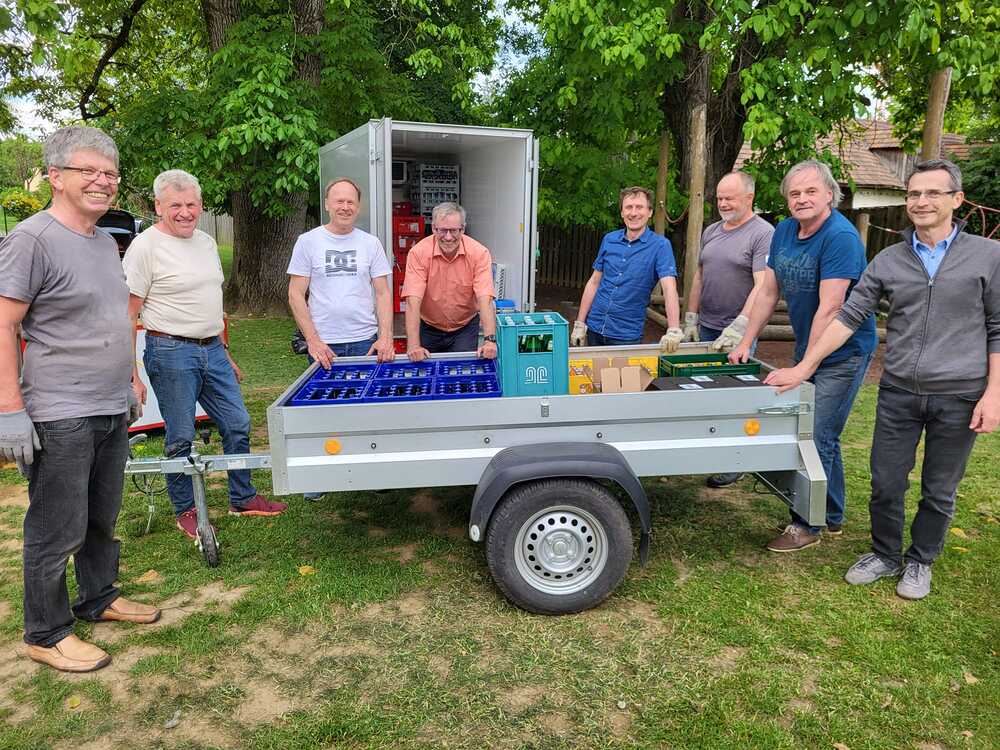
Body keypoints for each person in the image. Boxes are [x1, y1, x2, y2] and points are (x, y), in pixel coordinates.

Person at [766, 159, 1000, 598]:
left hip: (959, 393)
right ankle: (885, 554)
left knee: (939, 489)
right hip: (898, 391)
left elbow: (997, 327)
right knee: (886, 482)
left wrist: (994, 393)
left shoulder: (989, 256)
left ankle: (920, 560)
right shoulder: (889, 259)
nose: (921, 202)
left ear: (957, 200)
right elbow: (848, 315)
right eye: (914, 194)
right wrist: (805, 366)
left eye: (933, 193)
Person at [0, 125, 160, 674]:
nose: (102, 181)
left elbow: (117, 318)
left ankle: (99, 596)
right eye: (87, 171)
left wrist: (130, 381)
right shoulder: (32, 240)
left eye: (110, 173)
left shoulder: (103, 242)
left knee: (100, 516)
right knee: (56, 527)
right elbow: (4, 325)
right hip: (60, 411)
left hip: (109, 404)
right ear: (55, 176)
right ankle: (45, 633)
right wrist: (9, 411)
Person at [123, 169, 287, 541]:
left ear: (200, 205)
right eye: (175, 205)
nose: (185, 212)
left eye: (191, 204)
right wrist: (132, 375)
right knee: (180, 436)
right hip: (170, 351)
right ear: (158, 206)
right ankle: (186, 510)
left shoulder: (207, 242)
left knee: (237, 422)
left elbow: (212, 303)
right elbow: (127, 314)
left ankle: (242, 498)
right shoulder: (145, 247)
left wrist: (224, 351)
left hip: (212, 349)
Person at [730, 159, 877, 552]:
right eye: (794, 193)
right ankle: (831, 514)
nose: (802, 199)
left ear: (830, 194)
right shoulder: (784, 231)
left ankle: (806, 524)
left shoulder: (840, 238)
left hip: (844, 351)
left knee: (815, 433)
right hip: (809, 345)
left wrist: (804, 367)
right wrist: (746, 340)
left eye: (811, 191)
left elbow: (831, 308)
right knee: (821, 433)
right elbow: (767, 291)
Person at [684, 171, 774, 488]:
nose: (722, 203)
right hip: (708, 327)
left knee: (737, 397)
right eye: (720, 198)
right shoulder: (711, 231)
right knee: (708, 393)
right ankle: (713, 450)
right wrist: (691, 317)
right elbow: (699, 275)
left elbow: (763, 285)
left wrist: (742, 326)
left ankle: (737, 460)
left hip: (738, 334)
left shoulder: (763, 234)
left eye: (729, 198)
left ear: (749, 198)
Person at [287, 177, 395, 368]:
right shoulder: (307, 242)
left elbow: (383, 293)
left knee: (365, 388)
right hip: (323, 344)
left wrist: (386, 336)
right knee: (326, 389)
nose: (345, 207)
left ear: (358, 207)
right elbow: (295, 294)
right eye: (339, 201)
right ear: (327, 204)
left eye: (350, 202)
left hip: (365, 341)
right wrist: (312, 340)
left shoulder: (371, 243)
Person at [570, 186, 681, 350]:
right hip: (595, 326)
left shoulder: (660, 246)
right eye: (628, 207)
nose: (633, 213)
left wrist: (673, 329)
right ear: (622, 212)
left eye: (639, 207)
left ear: (650, 212)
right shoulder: (609, 239)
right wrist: (580, 323)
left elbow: (669, 288)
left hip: (626, 335)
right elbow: (594, 282)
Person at [402, 202, 498, 361]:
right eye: (442, 230)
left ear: (463, 229)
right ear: (434, 228)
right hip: (428, 327)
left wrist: (490, 340)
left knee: (463, 372)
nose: (448, 237)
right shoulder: (418, 253)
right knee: (425, 372)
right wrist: (413, 344)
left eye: (453, 230)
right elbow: (413, 300)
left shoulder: (479, 253)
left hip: (464, 328)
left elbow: (485, 298)